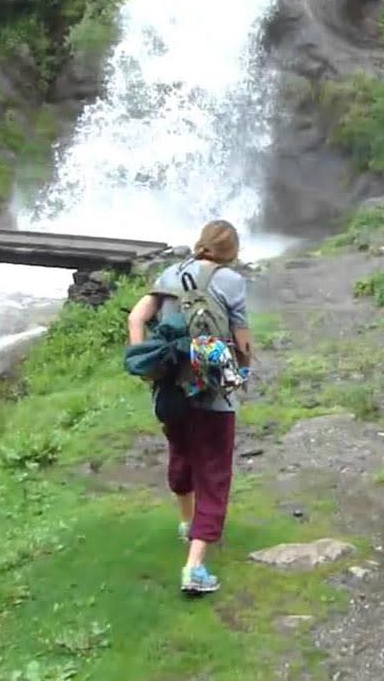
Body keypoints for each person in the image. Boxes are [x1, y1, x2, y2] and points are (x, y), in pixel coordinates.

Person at [126, 220, 254, 596]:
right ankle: (195, 568)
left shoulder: (169, 273)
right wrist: (241, 374)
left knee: (180, 454)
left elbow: (136, 317)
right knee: (213, 472)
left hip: (170, 390)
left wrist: (145, 365)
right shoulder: (230, 281)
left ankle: (187, 524)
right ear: (232, 251)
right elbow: (243, 341)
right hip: (212, 392)